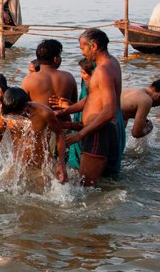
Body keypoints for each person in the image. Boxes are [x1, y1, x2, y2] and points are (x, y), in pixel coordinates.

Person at [57, 29, 123, 186]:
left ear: (93, 46)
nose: (82, 52)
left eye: (82, 48)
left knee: (85, 187)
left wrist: (80, 135)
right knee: (98, 186)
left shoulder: (103, 70)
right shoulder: (112, 62)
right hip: (101, 131)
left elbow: (109, 111)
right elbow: (93, 98)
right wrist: (65, 110)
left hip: (97, 132)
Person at [0, 87, 67, 188]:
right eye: (13, 116)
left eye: (19, 115)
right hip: (18, 167)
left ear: (26, 106)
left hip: (42, 168)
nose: (17, 119)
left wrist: (61, 163)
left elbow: (60, 133)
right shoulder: (5, 113)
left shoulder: (44, 113)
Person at [50, 58, 95, 169]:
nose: (81, 76)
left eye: (83, 73)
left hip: (92, 139)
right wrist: (68, 107)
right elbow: (86, 103)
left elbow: (93, 121)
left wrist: (67, 125)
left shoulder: (99, 92)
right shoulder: (88, 87)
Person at [21, 39, 77, 114]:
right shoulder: (69, 77)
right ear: (56, 59)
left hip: (41, 124)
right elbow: (75, 105)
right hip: (65, 124)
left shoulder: (29, 80)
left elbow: (21, 107)